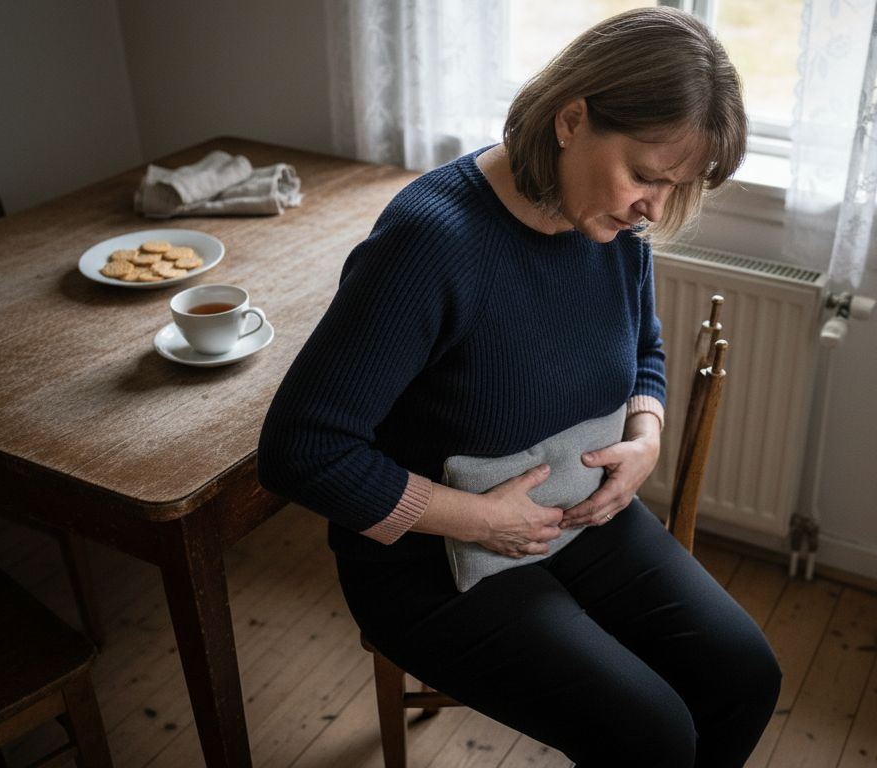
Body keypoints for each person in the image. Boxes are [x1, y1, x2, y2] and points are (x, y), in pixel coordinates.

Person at [257, 7, 780, 766]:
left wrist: (646, 435)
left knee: (745, 675)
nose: (653, 209)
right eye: (644, 176)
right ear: (572, 119)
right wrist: (474, 519)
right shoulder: (431, 242)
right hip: (433, 560)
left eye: (674, 188)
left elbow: (644, 346)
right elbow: (301, 450)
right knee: (652, 734)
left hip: (575, 514)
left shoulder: (613, 228)